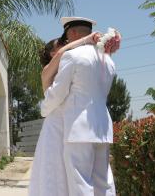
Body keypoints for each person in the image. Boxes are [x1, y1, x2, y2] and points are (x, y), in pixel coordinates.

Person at [28, 28, 119, 196]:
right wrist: (90, 40)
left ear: (74, 32)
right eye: (61, 44)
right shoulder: (63, 61)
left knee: (80, 180)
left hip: (75, 126)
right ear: (52, 53)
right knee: (93, 179)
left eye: (66, 40)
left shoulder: (74, 58)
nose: (66, 44)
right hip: (66, 125)